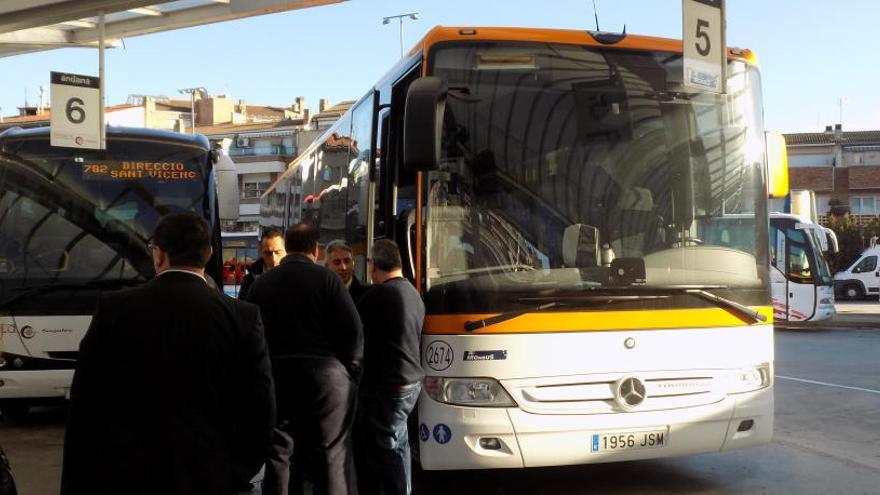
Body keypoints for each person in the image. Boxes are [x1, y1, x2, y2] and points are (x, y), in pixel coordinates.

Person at [61, 212, 276, 495]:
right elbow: (261, 409)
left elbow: (85, 406)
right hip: (209, 475)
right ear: (209, 253)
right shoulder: (243, 317)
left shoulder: (114, 309)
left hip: (127, 475)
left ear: (159, 254)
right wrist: (234, 472)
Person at [246, 224, 363, 495]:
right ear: (315, 249)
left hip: (278, 376)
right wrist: (350, 375)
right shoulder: (328, 280)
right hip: (326, 378)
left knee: (279, 453)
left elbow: (252, 335)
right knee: (332, 454)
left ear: (288, 247)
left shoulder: (261, 284)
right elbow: (353, 333)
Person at [354, 239, 425, 495]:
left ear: (373, 266)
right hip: (411, 381)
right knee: (399, 443)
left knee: (385, 449)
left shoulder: (380, 294)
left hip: (389, 385)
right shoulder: (411, 292)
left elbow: (350, 327)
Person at [238, 226, 286, 300]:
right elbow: (242, 308)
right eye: (268, 253)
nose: (273, 259)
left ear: (286, 251)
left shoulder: (296, 277)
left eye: (278, 252)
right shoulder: (249, 280)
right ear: (261, 252)